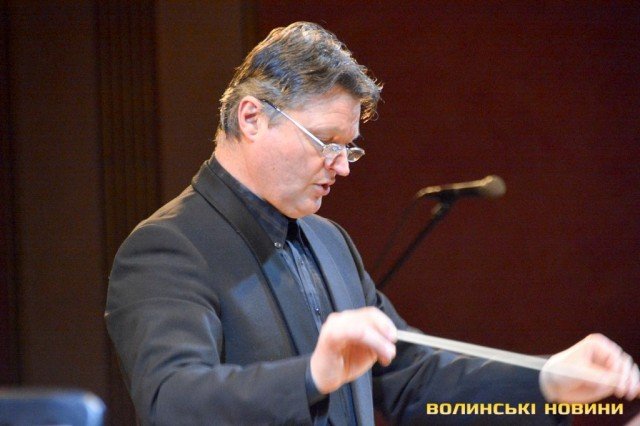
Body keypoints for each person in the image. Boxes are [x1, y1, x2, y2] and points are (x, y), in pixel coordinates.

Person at [105, 21, 639, 425]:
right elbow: (172, 401)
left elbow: (414, 378)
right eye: (325, 142)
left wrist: (547, 382)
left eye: (349, 149)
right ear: (252, 118)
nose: (340, 167)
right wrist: (313, 374)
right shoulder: (168, 247)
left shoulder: (329, 241)